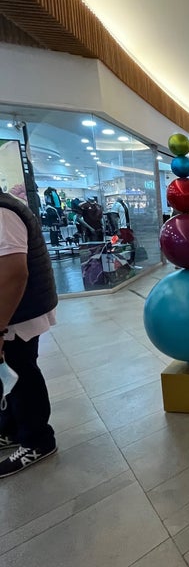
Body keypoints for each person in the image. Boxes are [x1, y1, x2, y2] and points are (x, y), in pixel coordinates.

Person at [0, 190, 58, 477]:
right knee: (10, 374)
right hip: (17, 311)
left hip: (17, 313)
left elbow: (14, 273)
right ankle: (11, 429)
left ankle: (37, 439)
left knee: (21, 373)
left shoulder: (3, 212)